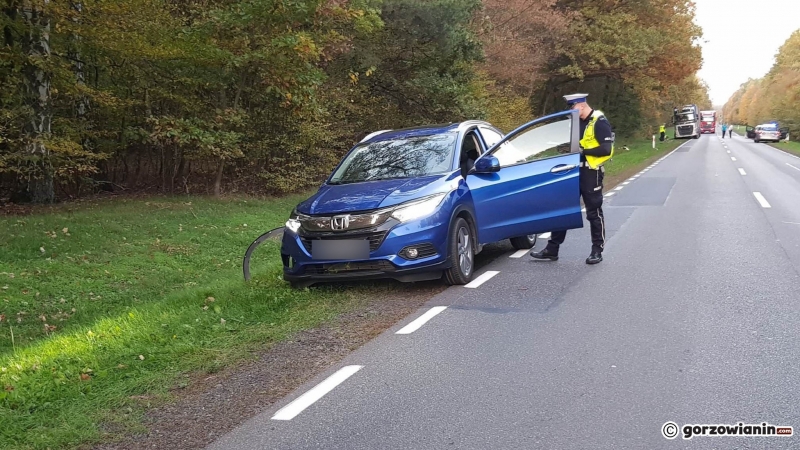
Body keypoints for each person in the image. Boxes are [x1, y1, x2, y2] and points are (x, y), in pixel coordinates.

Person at [531, 93, 613, 265]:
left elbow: (606, 149)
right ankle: (552, 250)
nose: (570, 109)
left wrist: (583, 152)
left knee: (593, 212)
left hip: (591, 172)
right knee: (564, 209)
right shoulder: (576, 122)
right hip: (573, 171)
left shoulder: (599, 121)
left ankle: (597, 250)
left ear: (582, 105)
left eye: (572, 106)